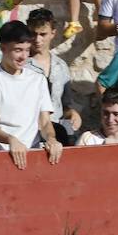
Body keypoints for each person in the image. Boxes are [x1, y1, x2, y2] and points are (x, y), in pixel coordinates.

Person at [0, 20, 61, 168]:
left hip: (33, 157)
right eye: (18, 50)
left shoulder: (38, 79)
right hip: (0, 160)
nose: (23, 56)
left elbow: (45, 122)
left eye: (27, 50)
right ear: (3, 48)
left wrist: (51, 139)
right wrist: (11, 140)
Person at [26, 9, 82, 143]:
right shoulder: (21, 65)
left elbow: (65, 105)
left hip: (56, 133)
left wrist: (73, 114)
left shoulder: (61, 66)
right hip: (29, 134)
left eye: (42, 34)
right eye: (33, 34)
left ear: (53, 33)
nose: (38, 39)